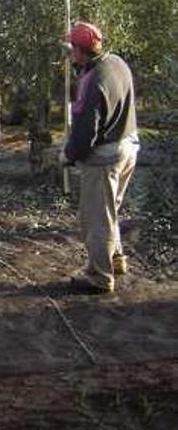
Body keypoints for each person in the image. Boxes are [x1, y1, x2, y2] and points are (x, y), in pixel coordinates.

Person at [61, 21, 140, 294]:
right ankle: (116, 260)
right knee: (110, 210)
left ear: (80, 50)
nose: (70, 53)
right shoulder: (117, 63)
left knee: (96, 217)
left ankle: (99, 276)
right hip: (128, 145)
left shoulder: (93, 81)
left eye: (71, 48)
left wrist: (68, 155)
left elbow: (86, 131)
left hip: (106, 156)